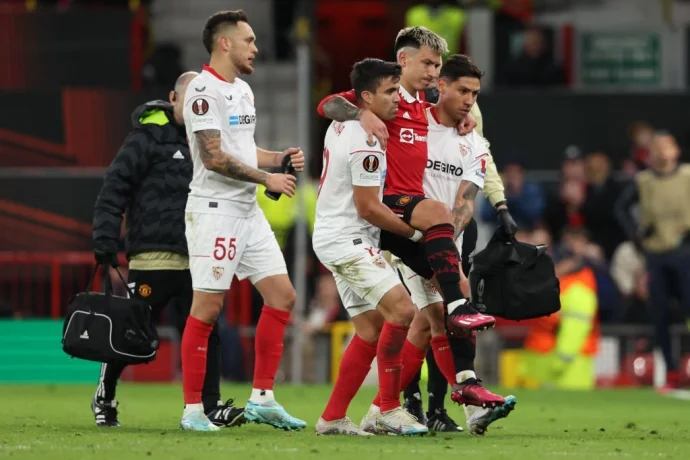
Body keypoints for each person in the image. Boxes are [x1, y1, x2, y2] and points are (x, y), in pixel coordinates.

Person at [317, 26, 495, 336]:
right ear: (404, 60)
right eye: (427, 63)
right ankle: (457, 310)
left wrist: (460, 118)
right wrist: (361, 114)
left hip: (411, 208)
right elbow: (327, 105)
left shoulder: (420, 106)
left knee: (440, 301)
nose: (433, 72)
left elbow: (440, 114)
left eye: (437, 65)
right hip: (389, 205)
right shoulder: (387, 97)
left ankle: (464, 379)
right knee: (439, 220)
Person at [91, 72, 243, 428]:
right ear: (174, 100)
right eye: (188, 98)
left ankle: (210, 406)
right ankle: (106, 395)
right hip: (153, 255)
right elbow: (114, 188)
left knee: (207, 329)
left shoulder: (209, 142)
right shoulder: (145, 138)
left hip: (199, 256)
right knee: (129, 332)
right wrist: (105, 239)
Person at [180, 10, 306, 431]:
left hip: (247, 211)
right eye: (249, 40)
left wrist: (280, 158)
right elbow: (214, 158)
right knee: (208, 307)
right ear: (225, 43)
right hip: (214, 211)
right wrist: (267, 177)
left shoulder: (244, 91)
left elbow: (244, 151)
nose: (256, 47)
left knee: (282, 295)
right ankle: (193, 411)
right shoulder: (202, 89)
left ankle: (263, 399)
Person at [392, 55, 515, 435]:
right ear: (440, 85)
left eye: (475, 93)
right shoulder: (410, 124)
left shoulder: (473, 142)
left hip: (447, 243)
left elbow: (464, 203)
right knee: (437, 319)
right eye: (462, 90)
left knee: (435, 324)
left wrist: (448, 250)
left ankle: (405, 405)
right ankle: (462, 402)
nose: (468, 100)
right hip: (404, 236)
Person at [313, 58, 428, 436]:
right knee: (403, 310)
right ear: (366, 97)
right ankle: (389, 409)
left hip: (338, 234)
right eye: (390, 92)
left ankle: (331, 418)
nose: (398, 98)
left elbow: (331, 104)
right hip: (347, 236)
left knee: (370, 329)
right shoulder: (366, 137)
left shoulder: (344, 121)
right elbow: (368, 207)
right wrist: (412, 235)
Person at [615, 131, 690, 391]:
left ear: (676, 150)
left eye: (666, 147)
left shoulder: (687, 175)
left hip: (685, 250)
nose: (661, 152)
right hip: (656, 253)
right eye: (656, 148)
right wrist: (636, 233)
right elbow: (621, 208)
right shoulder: (643, 180)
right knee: (660, 315)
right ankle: (670, 371)